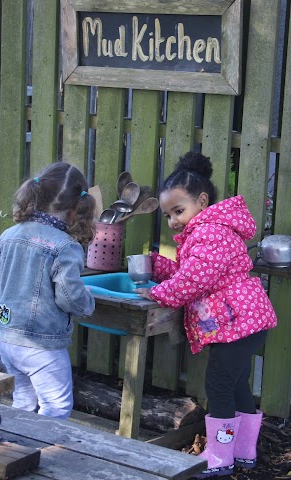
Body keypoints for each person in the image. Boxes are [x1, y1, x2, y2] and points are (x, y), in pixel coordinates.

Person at [137, 152, 277, 478]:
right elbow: (197, 273)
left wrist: (160, 292)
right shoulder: (206, 232)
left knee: (219, 387)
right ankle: (243, 454)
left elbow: (196, 279)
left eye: (178, 211)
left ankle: (220, 460)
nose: (173, 220)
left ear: (202, 201)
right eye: (168, 215)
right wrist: (161, 267)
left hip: (238, 322)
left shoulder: (211, 233)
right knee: (236, 384)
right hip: (242, 322)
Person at [0, 162, 96, 420]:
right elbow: (69, 296)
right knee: (56, 407)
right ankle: (48, 456)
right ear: (75, 209)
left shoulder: (8, 235)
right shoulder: (65, 246)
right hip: (42, 344)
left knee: (23, 400)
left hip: (7, 338)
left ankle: (16, 451)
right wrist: (88, 302)